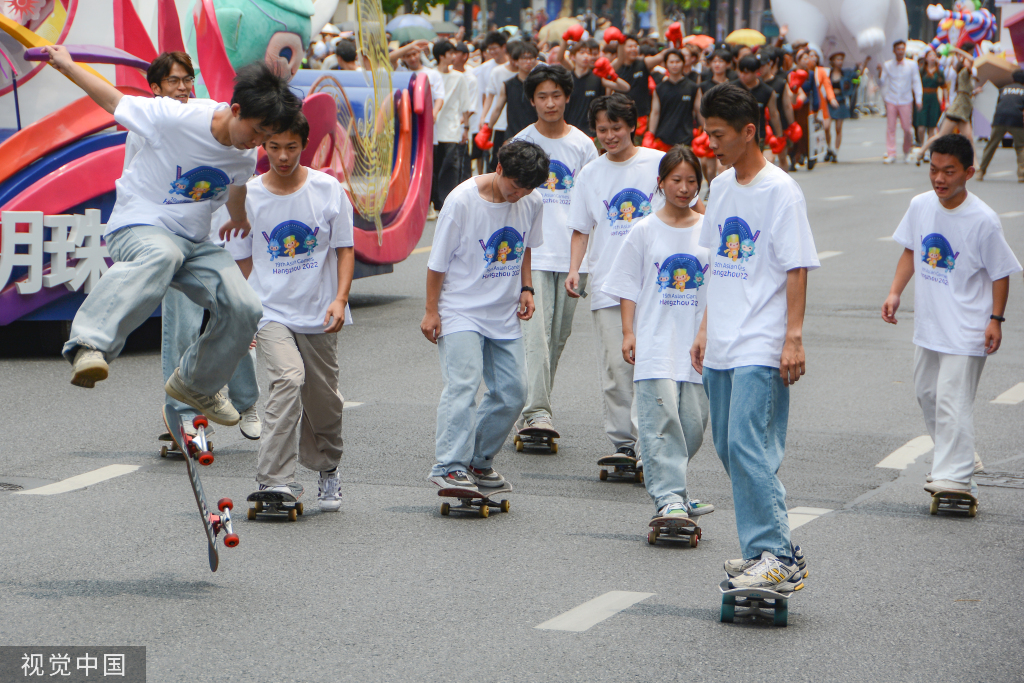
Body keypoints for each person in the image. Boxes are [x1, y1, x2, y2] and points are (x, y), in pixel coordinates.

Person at [45, 46, 300, 428]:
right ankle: (89, 345)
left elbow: (236, 186)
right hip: (140, 225)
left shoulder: (245, 154)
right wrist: (66, 65)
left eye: (268, 134)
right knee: (161, 255)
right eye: (256, 129)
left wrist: (239, 218)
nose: (257, 141)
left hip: (193, 244)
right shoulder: (176, 117)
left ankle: (196, 383)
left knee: (245, 305)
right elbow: (114, 100)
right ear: (235, 111)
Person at [690, 83, 819, 590]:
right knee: (728, 445)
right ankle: (769, 550)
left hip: (762, 340)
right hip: (722, 337)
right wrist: (703, 329)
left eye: (718, 134)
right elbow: (715, 262)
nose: (709, 143)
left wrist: (793, 337)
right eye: (706, 132)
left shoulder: (781, 190)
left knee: (748, 444)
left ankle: (775, 555)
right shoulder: (720, 186)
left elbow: (797, 267)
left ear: (749, 132)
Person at [222, 114, 355, 511]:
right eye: (274, 146)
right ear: (263, 146)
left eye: (291, 147)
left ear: (304, 145)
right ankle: (274, 480)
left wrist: (340, 299)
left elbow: (344, 249)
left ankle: (327, 467)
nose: (282, 156)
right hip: (270, 311)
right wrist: (244, 314)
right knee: (287, 379)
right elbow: (242, 264)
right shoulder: (249, 195)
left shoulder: (328, 190)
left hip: (319, 313)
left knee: (323, 400)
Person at [131, 52, 262, 439]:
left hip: (217, 238)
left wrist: (238, 219)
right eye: (174, 81)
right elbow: (138, 189)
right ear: (154, 88)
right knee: (183, 329)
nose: (184, 88)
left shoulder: (209, 117)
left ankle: (246, 401)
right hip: (173, 239)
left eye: (189, 79)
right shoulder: (145, 128)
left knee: (235, 318)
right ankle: (184, 419)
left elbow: (239, 174)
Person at [882, 134, 1021, 494]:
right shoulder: (920, 206)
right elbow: (912, 251)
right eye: (933, 170)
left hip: (967, 327)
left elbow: (1000, 272)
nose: (939, 179)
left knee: (951, 399)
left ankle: (954, 476)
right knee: (927, 393)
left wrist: (996, 319)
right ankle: (963, 455)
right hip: (930, 325)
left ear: (968, 172)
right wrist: (895, 292)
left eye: (948, 171)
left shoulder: (983, 219)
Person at [421, 140, 548, 491]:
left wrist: (527, 288)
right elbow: (437, 262)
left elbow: (524, 248)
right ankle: (448, 465)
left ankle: (477, 462)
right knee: (463, 384)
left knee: (513, 392)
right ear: (500, 168)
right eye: (515, 185)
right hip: (460, 308)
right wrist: (432, 311)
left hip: (503, 311)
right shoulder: (462, 202)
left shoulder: (531, 201)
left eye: (527, 189)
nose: (519, 194)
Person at [604, 145, 714, 519]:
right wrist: (627, 332)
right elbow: (627, 284)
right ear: (661, 183)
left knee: (692, 426)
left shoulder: (709, 231)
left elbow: (719, 288)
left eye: (691, 181)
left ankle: (677, 491)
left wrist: (706, 330)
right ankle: (668, 498)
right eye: (676, 180)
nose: (684, 188)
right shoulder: (644, 229)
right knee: (660, 425)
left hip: (698, 345)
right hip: (654, 341)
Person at [565, 94, 665, 468]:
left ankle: (650, 446)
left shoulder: (657, 163)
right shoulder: (590, 173)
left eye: (616, 128)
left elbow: (687, 209)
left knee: (651, 365)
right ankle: (624, 443)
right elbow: (580, 228)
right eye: (602, 129)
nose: (609, 136)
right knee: (616, 369)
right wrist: (576, 269)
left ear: (632, 126)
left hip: (657, 285)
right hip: (608, 282)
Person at [509, 65, 598, 437]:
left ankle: (534, 407)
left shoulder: (583, 145)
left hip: (575, 256)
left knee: (556, 338)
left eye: (556, 95)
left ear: (567, 97)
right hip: (534, 254)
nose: (550, 103)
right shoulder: (519, 143)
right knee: (535, 338)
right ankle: (537, 412)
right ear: (531, 100)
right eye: (542, 96)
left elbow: (594, 202)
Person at [430, 41, 473, 212]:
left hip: (452, 127)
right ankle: (434, 201)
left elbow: (465, 105)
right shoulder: (430, 75)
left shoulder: (459, 77)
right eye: (450, 53)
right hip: (433, 128)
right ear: (442, 56)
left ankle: (445, 201)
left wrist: (466, 128)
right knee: (435, 166)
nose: (453, 56)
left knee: (450, 167)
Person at [561, 39, 628, 138]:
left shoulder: (597, 78)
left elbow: (625, 88)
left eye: (588, 53)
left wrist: (612, 75)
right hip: (569, 132)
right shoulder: (566, 79)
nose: (586, 56)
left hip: (592, 133)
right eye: (582, 52)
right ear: (573, 57)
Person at [611, 32, 669, 142]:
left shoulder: (643, 63)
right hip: (620, 116)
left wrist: (673, 42)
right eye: (630, 46)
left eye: (635, 46)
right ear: (622, 48)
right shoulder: (616, 65)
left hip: (641, 115)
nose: (633, 49)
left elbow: (661, 56)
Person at [645, 49, 702, 151]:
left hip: (685, 139)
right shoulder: (659, 89)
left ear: (683, 63)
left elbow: (699, 110)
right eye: (671, 62)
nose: (674, 65)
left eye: (677, 61)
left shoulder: (693, 87)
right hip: (663, 139)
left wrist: (706, 131)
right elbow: (655, 112)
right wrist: (650, 133)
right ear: (666, 64)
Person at [878, 40, 923, 164]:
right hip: (891, 99)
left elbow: (916, 82)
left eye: (903, 49)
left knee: (907, 128)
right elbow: (881, 82)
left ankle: (907, 150)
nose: (900, 51)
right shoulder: (888, 65)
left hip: (906, 99)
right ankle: (891, 153)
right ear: (894, 51)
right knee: (891, 127)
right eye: (898, 49)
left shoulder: (912, 65)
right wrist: (879, 72)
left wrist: (919, 99)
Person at [485, 41, 540, 141]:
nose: (528, 62)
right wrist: (487, 129)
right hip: (513, 134)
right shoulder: (508, 85)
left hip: (536, 135)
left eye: (531, 58)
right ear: (516, 61)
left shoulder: (539, 84)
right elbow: (497, 109)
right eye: (524, 58)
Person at [472, 31, 509, 175]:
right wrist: (483, 117)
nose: (492, 52)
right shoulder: (485, 68)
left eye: (495, 48)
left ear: (503, 47)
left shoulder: (512, 65)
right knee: (495, 155)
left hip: (510, 117)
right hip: (494, 119)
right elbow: (486, 95)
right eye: (490, 49)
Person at [978, 70, 1024, 183]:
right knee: (1021, 147)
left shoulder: (1004, 89)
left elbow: (999, 104)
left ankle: (981, 172)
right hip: (1016, 119)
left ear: (1013, 79)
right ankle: (1021, 175)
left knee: (991, 145)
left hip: (1000, 118)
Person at [735, 54, 783, 150]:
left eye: (746, 73)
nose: (742, 76)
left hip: (757, 136)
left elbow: (773, 114)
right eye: (741, 72)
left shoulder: (767, 91)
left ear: (757, 72)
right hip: (735, 135)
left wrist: (779, 136)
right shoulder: (731, 88)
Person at [390, 39, 444, 123]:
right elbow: (390, 58)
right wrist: (411, 46)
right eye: (408, 56)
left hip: (426, 118)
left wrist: (434, 112)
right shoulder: (401, 72)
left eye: (414, 54)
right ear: (402, 57)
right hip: (406, 120)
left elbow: (439, 97)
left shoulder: (433, 74)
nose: (412, 58)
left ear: (419, 53)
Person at [824, 52, 855, 162]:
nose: (840, 62)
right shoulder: (828, 73)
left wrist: (863, 64)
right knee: (826, 127)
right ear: (832, 61)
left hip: (840, 101)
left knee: (838, 128)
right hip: (829, 102)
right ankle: (829, 148)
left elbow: (856, 75)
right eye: (837, 59)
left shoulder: (845, 73)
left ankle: (836, 151)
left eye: (841, 59)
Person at [915, 50, 946, 154]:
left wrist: (945, 101)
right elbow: (916, 84)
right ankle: (922, 145)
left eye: (934, 55)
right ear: (926, 58)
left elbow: (944, 87)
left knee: (931, 127)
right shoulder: (922, 71)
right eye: (930, 55)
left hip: (933, 98)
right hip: (923, 98)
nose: (932, 57)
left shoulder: (939, 72)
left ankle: (929, 150)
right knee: (921, 127)